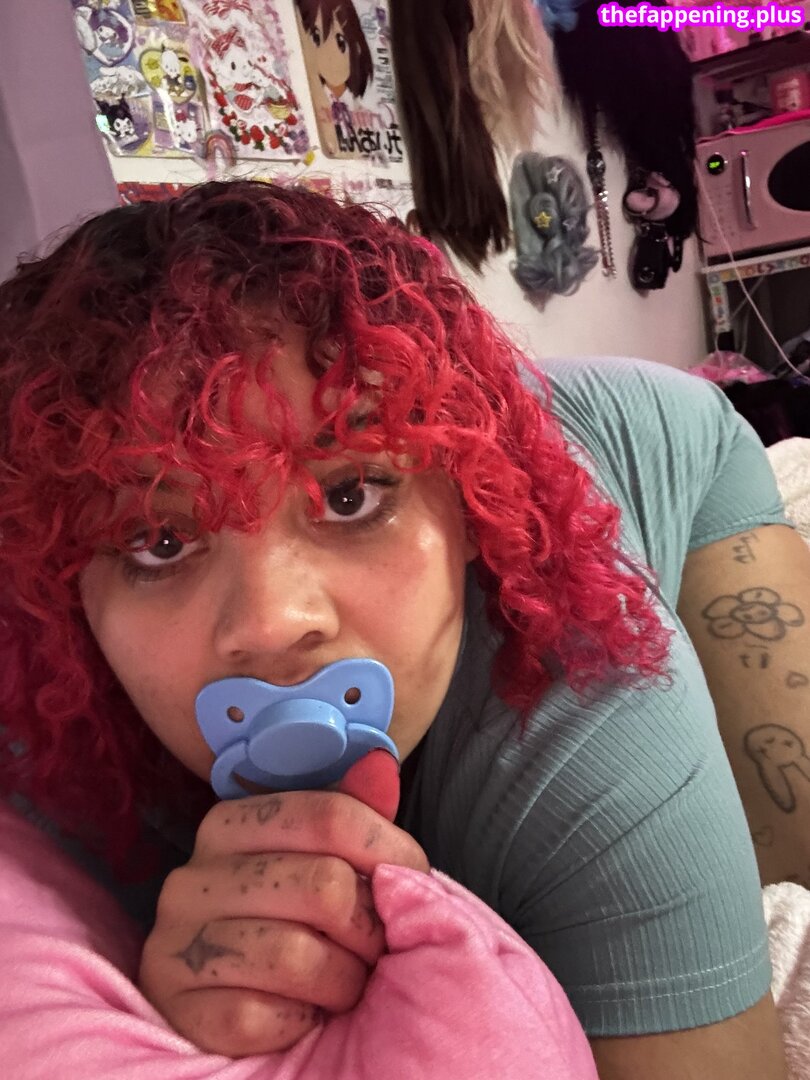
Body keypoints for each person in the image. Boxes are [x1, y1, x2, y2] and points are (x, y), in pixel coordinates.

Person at [0, 180, 806, 1080]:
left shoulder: (590, 690)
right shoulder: (52, 726)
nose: (274, 624)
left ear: (470, 506)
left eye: (350, 495)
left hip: (680, 436)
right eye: (160, 540)